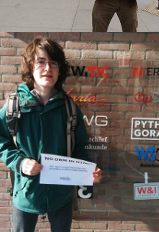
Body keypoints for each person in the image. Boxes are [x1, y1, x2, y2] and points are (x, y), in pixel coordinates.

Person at [0, 37, 102, 232]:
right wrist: (20, 163)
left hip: (60, 196)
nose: (48, 68)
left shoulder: (70, 108)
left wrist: (86, 171)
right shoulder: (14, 106)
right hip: (26, 194)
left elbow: (79, 146)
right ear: (31, 67)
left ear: (59, 69)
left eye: (53, 63)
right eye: (41, 62)